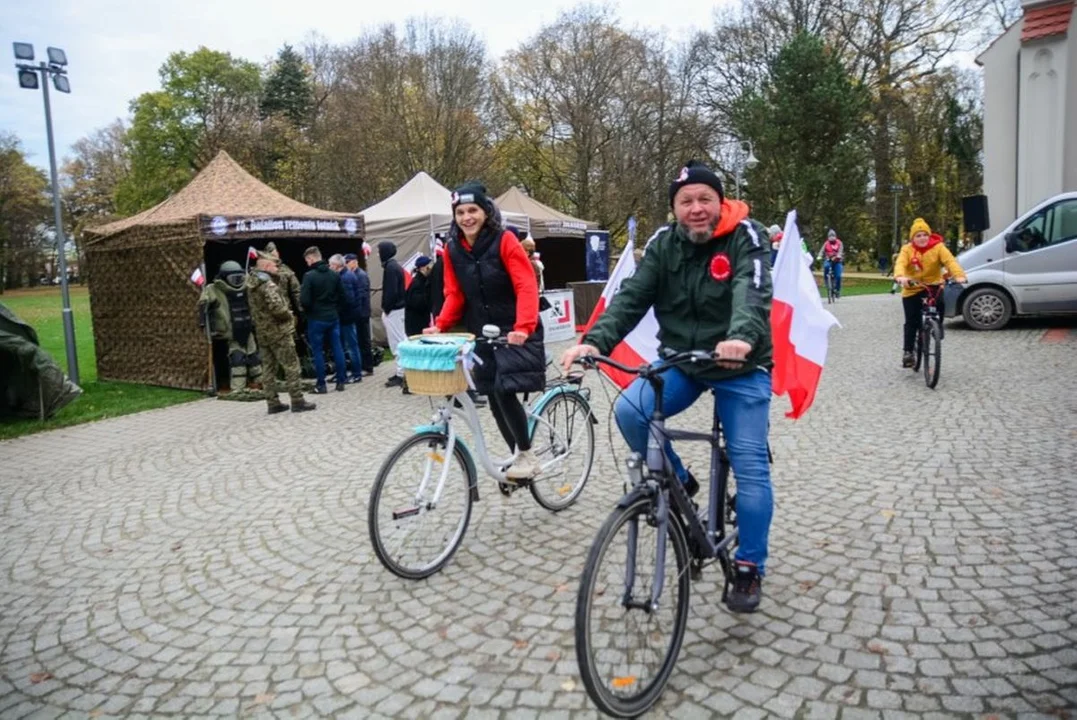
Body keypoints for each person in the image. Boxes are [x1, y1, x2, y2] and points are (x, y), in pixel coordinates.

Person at [560, 160, 774, 613]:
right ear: (675, 207)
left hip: (741, 364)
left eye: (705, 199)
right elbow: (632, 297)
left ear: (720, 201)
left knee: (750, 467)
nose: (696, 209)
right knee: (630, 411)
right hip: (683, 361)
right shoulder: (664, 244)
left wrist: (740, 338)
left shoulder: (746, 236)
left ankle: (750, 567)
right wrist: (592, 343)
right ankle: (678, 482)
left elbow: (750, 292)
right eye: (686, 201)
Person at [424, 182, 545, 480]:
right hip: (482, 331)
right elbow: (455, 293)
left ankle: (527, 456)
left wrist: (523, 327)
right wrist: (441, 324)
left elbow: (525, 284)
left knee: (504, 393)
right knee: (491, 395)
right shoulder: (452, 250)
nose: (467, 217)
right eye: (460, 212)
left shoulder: (504, 241)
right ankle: (517, 457)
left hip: (514, 328)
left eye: (473, 210)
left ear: (486, 211)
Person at [245, 253, 316, 414]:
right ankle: (297, 400)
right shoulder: (267, 284)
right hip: (279, 331)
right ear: (267, 267)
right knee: (291, 365)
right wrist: (288, 314)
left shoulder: (251, 284)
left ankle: (272, 402)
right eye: (275, 266)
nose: (277, 268)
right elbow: (276, 307)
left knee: (268, 368)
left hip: (262, 332)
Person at [893, 218, 967, 368]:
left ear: (929, 235)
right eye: (918, 236)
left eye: (924, 235)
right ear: (912, 238)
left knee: (940, 302)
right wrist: (901, 277)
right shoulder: (907, 249)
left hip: (933, 285)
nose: (922, 238)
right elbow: (900, 263)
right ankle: (908, 352)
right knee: (911, 321)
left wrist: (959, 275)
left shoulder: (938, 247)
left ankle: (937, 325)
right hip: (912, 288)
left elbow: (950, 261)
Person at [197, 260, 263, 391]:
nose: (237, 281)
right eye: (233, 277)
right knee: (238, 357)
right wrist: (203, 322)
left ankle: (259, 382)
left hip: (246, 328)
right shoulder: (213, 289)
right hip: (231, 331)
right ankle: (239, 387)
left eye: (239, 277)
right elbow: (202, 305)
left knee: (253, 357)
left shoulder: (247, 286)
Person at [300, 246, 348, 393]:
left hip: (316, 319)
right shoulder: (334, 275)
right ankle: (341, 381)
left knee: (318, 351)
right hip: (333, 317)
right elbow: (343, 297)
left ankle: (321, 385)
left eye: (307, 260)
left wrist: (309, 312)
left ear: (311, 258)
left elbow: (305, 301)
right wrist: (335, 310)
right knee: (337, 348)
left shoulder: (309, 276)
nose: (307, 263)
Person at [330, 253, 364, 383]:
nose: (329, 267)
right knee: (348, 345)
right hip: (348, 315)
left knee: (351, 345)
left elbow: (348, 300)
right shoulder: (345, 275)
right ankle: (345, 372)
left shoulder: (345, 278)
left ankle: (356, 373)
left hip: (347, 316)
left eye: (331, 265)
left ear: (336, 265)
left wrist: (337, 309)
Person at [378, 241, 407, 388]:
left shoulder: (390, 267)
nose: (378, 255)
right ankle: (402, 371)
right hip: (398, 309)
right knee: (400, 340)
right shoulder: (395, 266)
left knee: (398, 342)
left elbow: (391, 291)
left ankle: (402, 374)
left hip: (394, 310)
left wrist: (386, 308)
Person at [345, 253, 375, 375]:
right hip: (359, 312)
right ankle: (364, 365)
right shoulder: (354, 274)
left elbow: (362, 296)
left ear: (354, 262)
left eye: (347, 262)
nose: (346, 265)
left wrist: (359, 312)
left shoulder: (360, 275)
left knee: (364, 340)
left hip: (362, 313)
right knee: (360, 340)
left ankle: (368, 367)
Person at [264, 241, 302, 317]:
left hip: (285, 311)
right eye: (271, 254)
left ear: (278, 253)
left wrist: (302, 310)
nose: (274, 256)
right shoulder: (261, 270)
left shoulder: (286, 270)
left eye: (275, 253)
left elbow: (296, 291)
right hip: (267, 313)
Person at [405, 256, 434, 337]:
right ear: (423, 268)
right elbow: (417, 303)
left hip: (421, 321)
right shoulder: (417, 283)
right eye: (429, 265)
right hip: (416, 324)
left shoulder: (424, 281)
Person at [816, 229, 844, 297]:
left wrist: (838, 256)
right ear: (828, 237)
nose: (831, 237)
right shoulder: (826, 243)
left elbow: (840, 251)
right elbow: (822, 251)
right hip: (828, 260)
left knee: (838, 276)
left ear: (835, 236)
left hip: (837, 261)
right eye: (830, 236)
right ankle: (827, 281)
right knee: (826, 267)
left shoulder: (839, 243)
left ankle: (837, 290)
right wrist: (819, 256)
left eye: (833, 236)